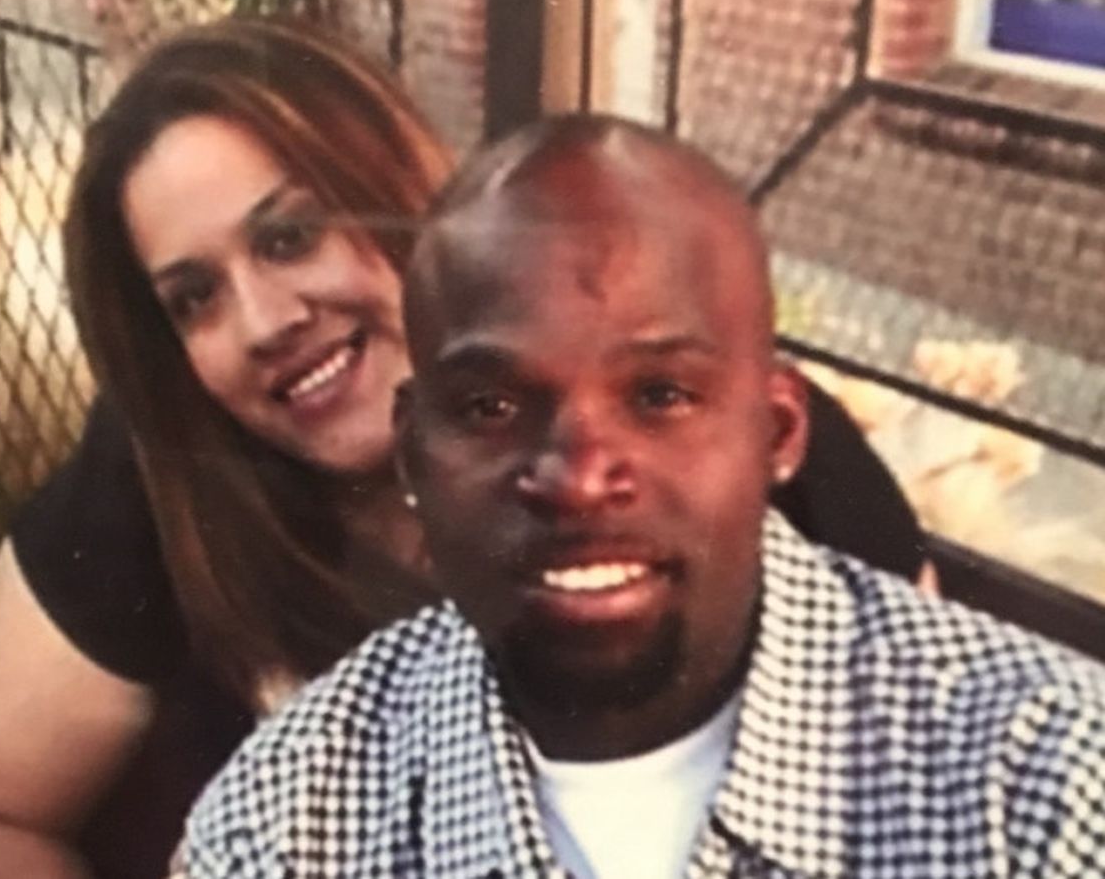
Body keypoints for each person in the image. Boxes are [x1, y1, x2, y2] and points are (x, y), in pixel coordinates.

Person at [0, 20, 923, 878]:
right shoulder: (167, 481)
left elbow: (910, 758)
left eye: (290, 236)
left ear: (402, 191)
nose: (263, 321)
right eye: (195, 298)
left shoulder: (744, 451)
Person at [183, 115, 1105, 878]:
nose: (579, 477)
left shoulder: (1045, 785)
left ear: (779, 432)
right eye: (491, 405)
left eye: (661, 395)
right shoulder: (290, 825)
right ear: (416, 454)